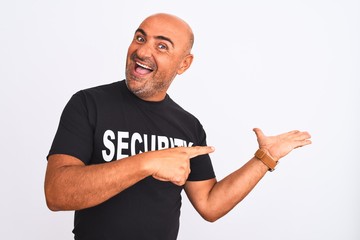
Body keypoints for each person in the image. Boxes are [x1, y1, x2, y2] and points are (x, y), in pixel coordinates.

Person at [45, 13, 312, 240]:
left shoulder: (188, 126)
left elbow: (210, 205)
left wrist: (265, 159)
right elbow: (56, 193)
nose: (142, 51)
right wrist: (147, 162)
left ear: (184, 64)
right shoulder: (88, 104)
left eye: (162, 46)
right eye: (140, 38)